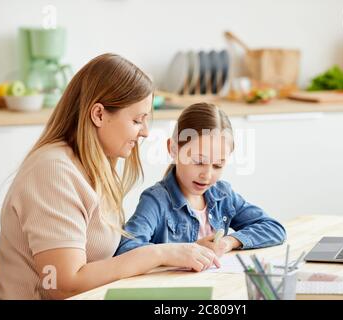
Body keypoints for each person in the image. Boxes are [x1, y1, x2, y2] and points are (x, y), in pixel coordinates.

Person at [0, 54, 219, 300]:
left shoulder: (92, 167)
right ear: (98, 114)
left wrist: (177, 253)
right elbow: (62, 284)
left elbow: (103, 265)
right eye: (137, 120)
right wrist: (160, 254)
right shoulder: (53, 172)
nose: (145, 132)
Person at [115, 102, 286, 262]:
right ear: (174, 150)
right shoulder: (156, 200)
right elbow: (126, 250)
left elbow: (274, 228)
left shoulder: (223, 195)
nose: (207, 175)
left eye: (218, 165)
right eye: (198, 162)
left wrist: (229, 242)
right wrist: (184, 252)